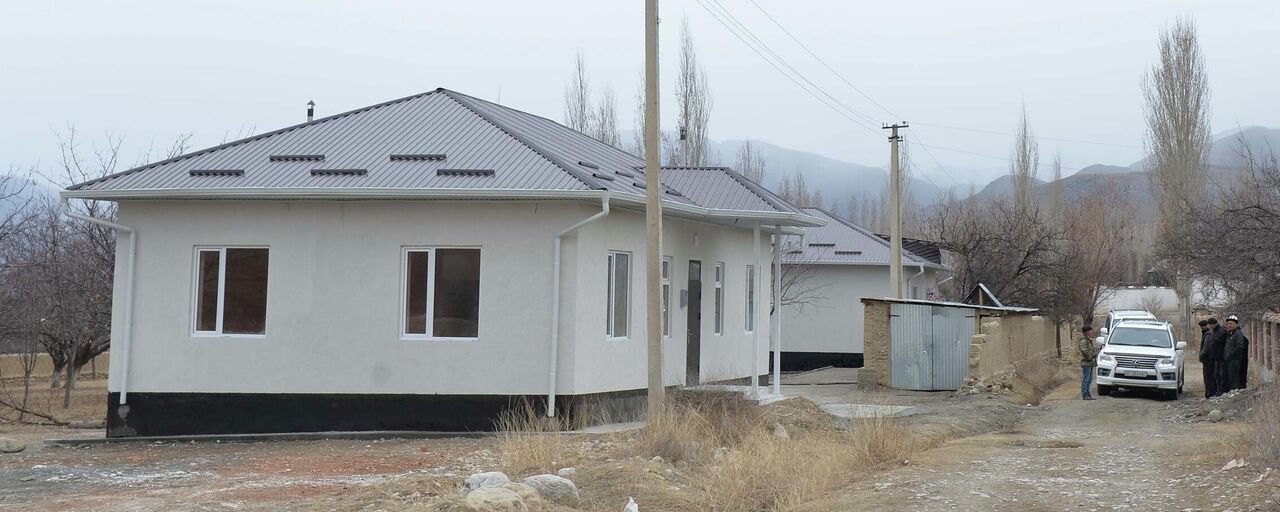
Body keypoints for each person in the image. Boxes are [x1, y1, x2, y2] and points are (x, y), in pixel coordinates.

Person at [1223, 315, 1249, 391]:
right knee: (1231, 377)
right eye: (1228, 324)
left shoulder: (1238, 334)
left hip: (1236, 360)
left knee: (1235, 377)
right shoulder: (1231, 334)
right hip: (1231, 360)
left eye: (1231, 323)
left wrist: (1230, 354)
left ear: (1236, 324)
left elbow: (1239, 347)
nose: (1229, 325)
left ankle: (1236, 391)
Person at [1204, 317, 1228, 397]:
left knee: (1221, 375)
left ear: (1215, 324)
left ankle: (1221, 391)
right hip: (1217, 357)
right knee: (1217, 375)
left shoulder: (1221, 332)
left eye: (1211, 325)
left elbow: (1219, 344)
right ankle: (1218, 391)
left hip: (1221, 357)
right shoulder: (1215, 331)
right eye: (1209, 325)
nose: (1210, 326)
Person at [1077, 325, 1098, 400]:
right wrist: (1090, 357)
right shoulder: (1083, 341)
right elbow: (1084, 351)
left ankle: (1088, 394)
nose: (1091, 332)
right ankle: (1085, 394)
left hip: (1090, 362)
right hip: (1086, 362)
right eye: (1090, 331)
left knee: (1089, 379)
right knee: (1086, 379)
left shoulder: (1088, 340)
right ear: (1086, 332)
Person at [1197, 320, 1217, 398]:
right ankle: (1209, 393)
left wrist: (1201, 356)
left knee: (1209, 377)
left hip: (1208, 360)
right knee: (1208, 377)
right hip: (1208, 360)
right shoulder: (1207, 334)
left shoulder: (1208, 335)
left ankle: (1210, 393)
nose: (1202, 328)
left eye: (1202, 327)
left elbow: (1206, 348)